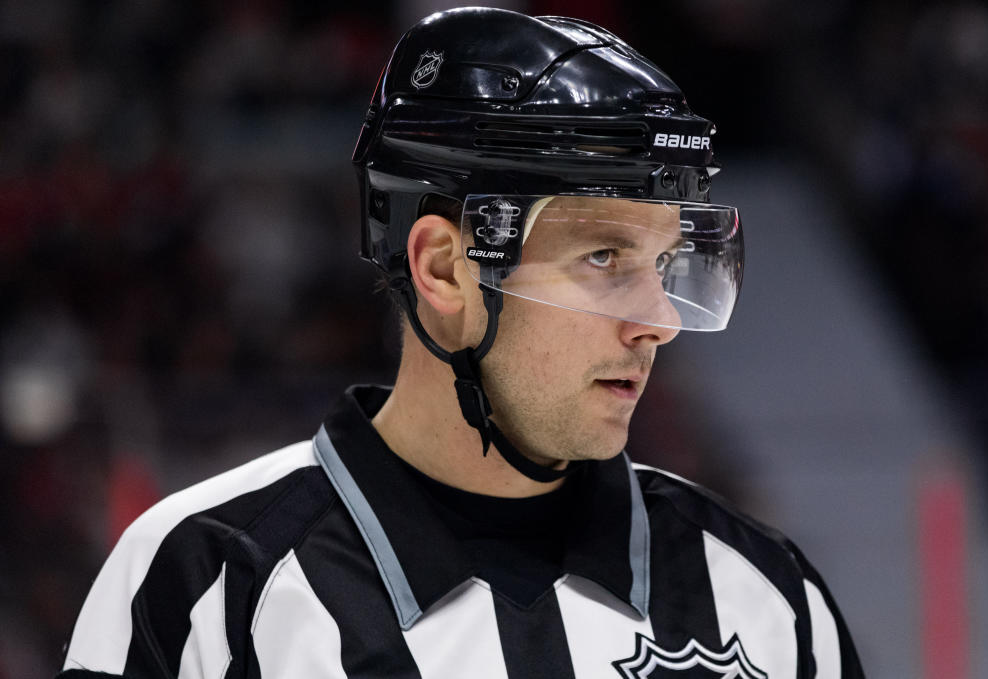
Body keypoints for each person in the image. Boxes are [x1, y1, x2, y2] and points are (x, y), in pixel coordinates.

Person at [58, 8, 864, 678]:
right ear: (444, 268)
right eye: (604, 257)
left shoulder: (769, 595)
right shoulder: (205, 578)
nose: (655, 318)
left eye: (660, 263)